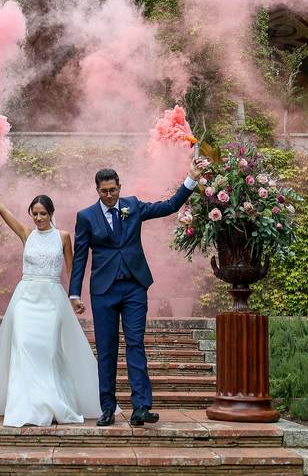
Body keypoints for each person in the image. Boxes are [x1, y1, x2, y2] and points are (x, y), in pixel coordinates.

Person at [0, 173, 102, 427]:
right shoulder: (26, 233)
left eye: (43, 214)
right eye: (34, 213)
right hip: (25, 300)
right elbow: (2, 210)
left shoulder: (63, 237)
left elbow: (73, 271)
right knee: (24, 346)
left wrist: (75, 297)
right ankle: (25, 407)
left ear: (51, 214)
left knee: (48, 351)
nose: (38, 218)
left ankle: (51, 402)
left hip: (51, 299)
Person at [69, 158, 203, 426]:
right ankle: (107, 408)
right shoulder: (86, 217)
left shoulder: (133, 205)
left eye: (113, 190)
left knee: (135, 344)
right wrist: (74, 294)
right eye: (104, 191)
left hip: (134, 287)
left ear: (120, 187)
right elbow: (81, 257)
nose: (109, 195)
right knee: (106, 349)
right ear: (97, 190)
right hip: (103, 290)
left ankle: (141, 407)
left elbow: (169, 206)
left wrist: (191, 178)